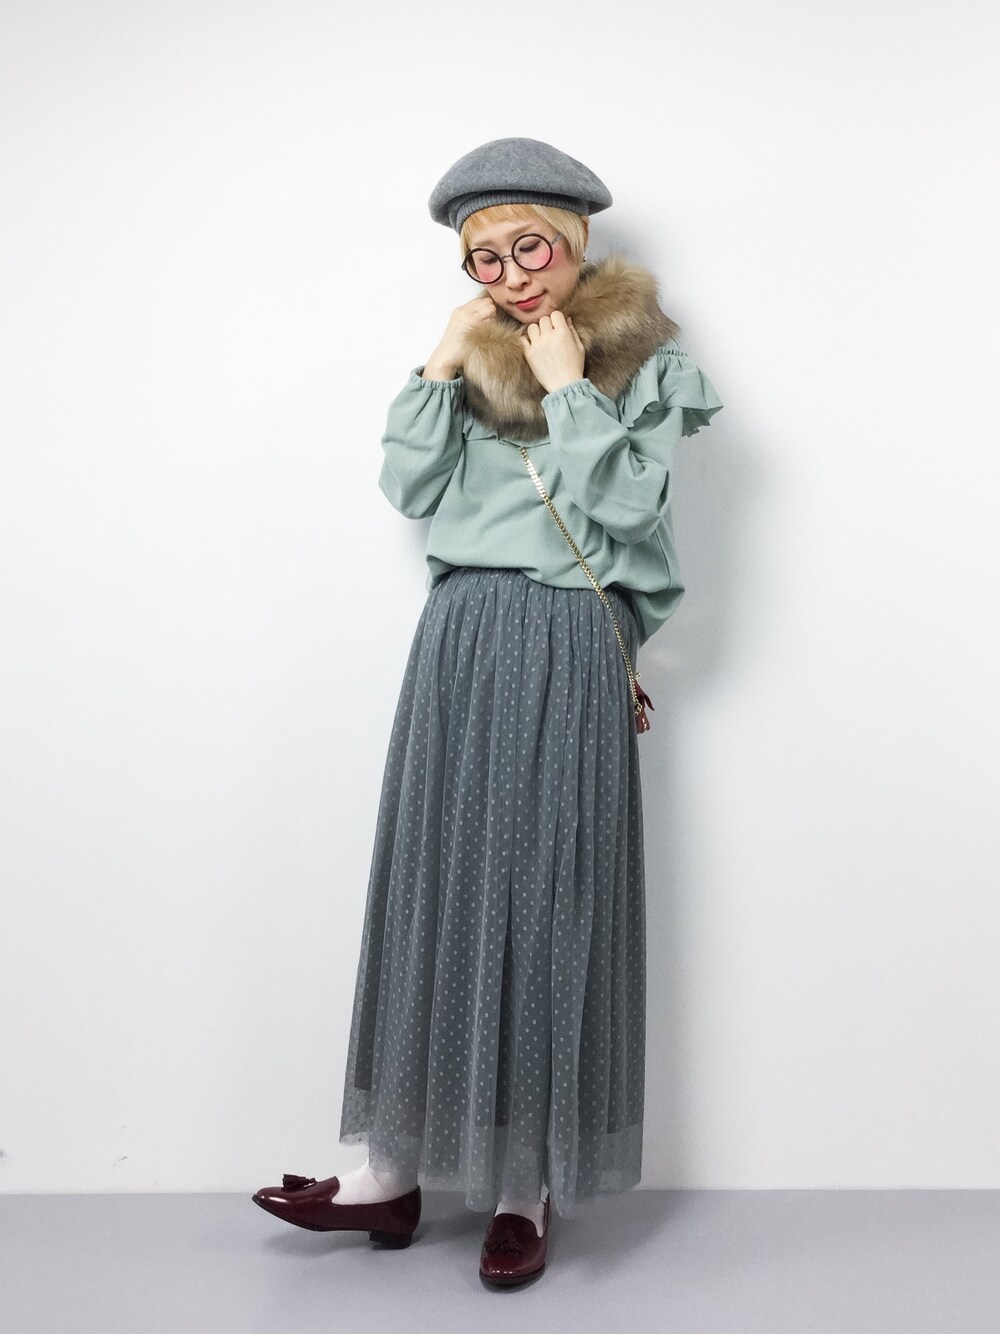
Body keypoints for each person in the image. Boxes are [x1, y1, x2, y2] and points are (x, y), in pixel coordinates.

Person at [252, 136, 723, 1288]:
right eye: (485, 258)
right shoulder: (466, 355)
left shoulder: (647, 360)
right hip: (460, 634)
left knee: (549, 892)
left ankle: (525, 1183)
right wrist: (443, 356)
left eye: (529, 249)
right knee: (435, 881)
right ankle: (391, 1170)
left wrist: (568, 386)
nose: (511, 275)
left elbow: (629, 507)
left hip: (566, 633)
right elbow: (409, 487)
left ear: (575, 242)